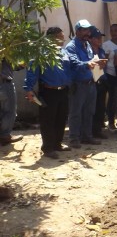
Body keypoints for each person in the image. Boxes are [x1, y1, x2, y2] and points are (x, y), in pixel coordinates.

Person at [23, 27, 72, 158]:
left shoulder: (64, 52)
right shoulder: (41, 53)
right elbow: (32, 71)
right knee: (48, 120)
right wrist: (28, 89)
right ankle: (48, 148)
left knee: (61, 119)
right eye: (61, 37)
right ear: (52, 38)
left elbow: (73, 65)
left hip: (63, 91)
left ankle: (57, 144)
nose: (63, 39)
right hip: (49, 92)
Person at [66, 19, 107, 148]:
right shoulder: (71, 46)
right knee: (76, 112)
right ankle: (73, 138)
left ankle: (87, 136)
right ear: (77, 31)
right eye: (84, 30)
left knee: (89, 111)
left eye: (88, 30)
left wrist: (98, 62)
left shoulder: (87, 45)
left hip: (90, 83)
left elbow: (91, 60)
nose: (87, 33)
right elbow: (74, 63)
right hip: (78, 84)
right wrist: (87, 64)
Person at [89, 27, 109, 140]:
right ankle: (90, 131)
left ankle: (98, 130)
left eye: (100, 37)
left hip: (101, 80)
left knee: (100, 107)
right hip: (92, 81)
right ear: (91, 39)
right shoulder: (87, 50)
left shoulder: (101, 50)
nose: (99, 39)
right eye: (97, 38)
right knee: (91, 107)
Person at [102, 23, 117, 130]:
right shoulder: (107, 45)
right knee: (112, 99)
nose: (113, 33)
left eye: (116, 30)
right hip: (110, 75)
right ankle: (111, 122)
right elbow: (104, 61)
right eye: (112, 31)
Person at [0, 59, 23, 147]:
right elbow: (10, 65)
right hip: (4, 84)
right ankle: (4, 136)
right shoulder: (5, 49)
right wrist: (22, 64)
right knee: (9, 111)